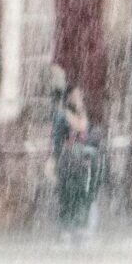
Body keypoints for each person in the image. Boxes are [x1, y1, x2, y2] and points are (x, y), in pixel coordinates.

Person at [52, 85, 99, 235]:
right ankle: (66, 226)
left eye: (80, 95)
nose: (79, 98)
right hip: (68, 163)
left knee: (82, 194)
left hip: (84, 164)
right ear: (68, 98)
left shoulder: (84, 117)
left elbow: (91, 137)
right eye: (75, 95)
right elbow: (57, 139)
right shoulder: (62, 116)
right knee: (67, 194)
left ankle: (80, 225)